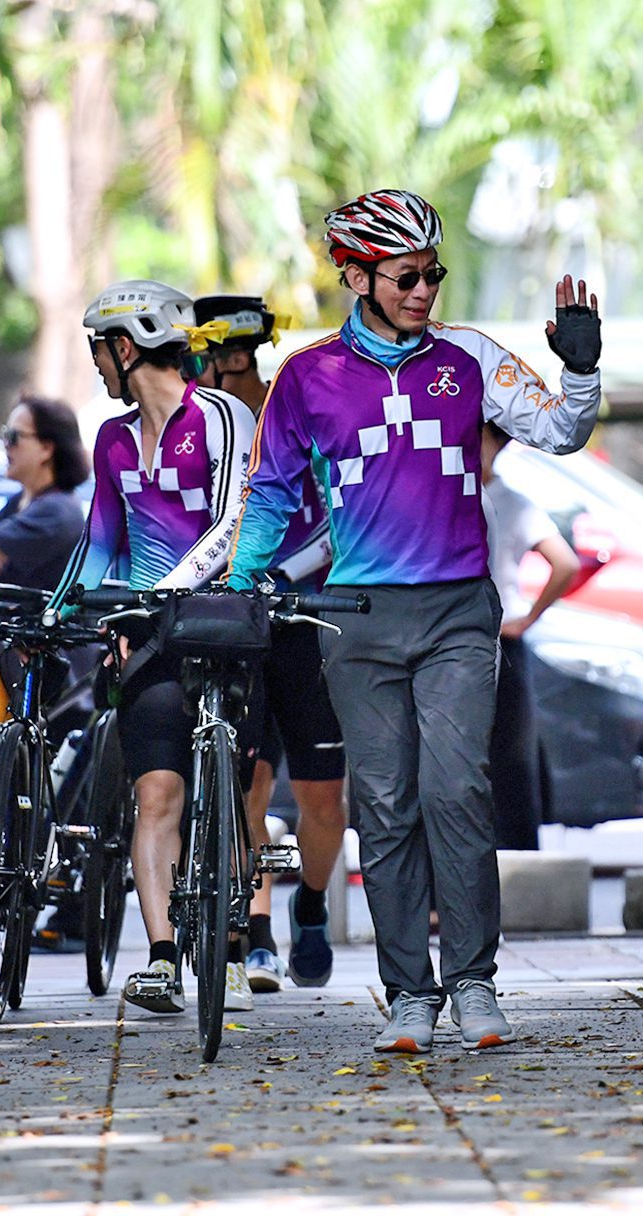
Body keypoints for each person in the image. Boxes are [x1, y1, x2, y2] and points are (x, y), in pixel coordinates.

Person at [226, 188, 603, 1054]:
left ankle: (473, 983)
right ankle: (408, 994)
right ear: (357, 275)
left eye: (433, 273)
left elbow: (560, 429)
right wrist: (242, 580)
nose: (424, 289)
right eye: (406, 276)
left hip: (457, 613)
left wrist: (579, 371)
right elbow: (273, 495)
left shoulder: (468, 358)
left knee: (457, 789)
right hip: (353, 620)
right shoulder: (306, 379)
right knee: (386, 806)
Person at [53, 280, 257, 1018]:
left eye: (98, 352)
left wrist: (166, 591)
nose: (98, 367)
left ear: (126, 346)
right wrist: (65, 608)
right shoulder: (112, 439)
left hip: (221, 622)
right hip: (146, 633)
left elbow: (232, 522)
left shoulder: (222, 415)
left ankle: (237, 930)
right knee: (156, 793)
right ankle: (164, 956)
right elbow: (101, 535)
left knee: (232, 786)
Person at [191, 293, 347, 992]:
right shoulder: (208, 428)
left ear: (240, 355)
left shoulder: (297, 411)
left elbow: (336, 517)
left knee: (320, 799)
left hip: (306, 622)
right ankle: (252, 932)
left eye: (216, 358)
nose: (208, 372)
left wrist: (280, 573)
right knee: (246, 780)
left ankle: (309, 904)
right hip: (236, 625)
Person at [481, 422, 581, 851]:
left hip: (501, 638)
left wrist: (527, 619)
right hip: (462, 638)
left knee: (509, 759)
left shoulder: (513, 503)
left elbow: (566, 563)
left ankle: (519, 864)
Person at [0, 396, 90, 593]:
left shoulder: (57, 510)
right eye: (5, 434)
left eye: (14, 436)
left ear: (46, 449)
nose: (5, 444)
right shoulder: (20, 501)